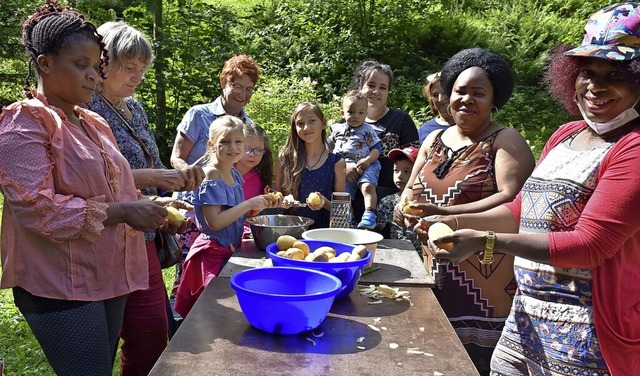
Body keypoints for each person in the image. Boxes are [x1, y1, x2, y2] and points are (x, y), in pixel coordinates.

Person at [417, 3, 640, 374]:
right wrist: (451, 220)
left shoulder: (632, 148)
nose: (595, 86)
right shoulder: (567, 134)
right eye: (587, 72)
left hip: (588, 333)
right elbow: (523, 209)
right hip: (524, 320)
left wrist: (485, 241)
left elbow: (591, 245)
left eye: (614, 74)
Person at [0, 2, 168, 374]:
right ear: (45, 64)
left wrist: (149, 208)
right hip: (58, 284)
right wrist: (125, 212)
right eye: (81, 65)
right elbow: (38, 209)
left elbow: (114, 189)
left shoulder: (94, 122)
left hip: (107, 273)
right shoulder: (24, 122)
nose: (93, 76)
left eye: (96, 66)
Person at [399, 48, 535, 375]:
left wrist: (447, 214)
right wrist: (406, 210)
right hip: (431, 272)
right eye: (460, 91)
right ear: (448, 96)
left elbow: (511, 198)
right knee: (430, 359)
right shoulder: (433, 139)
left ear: (494, 100)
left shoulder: (505, 140)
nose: (467, 99)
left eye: (479, 93)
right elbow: (408, 190)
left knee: (476, 364)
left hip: (485, 281)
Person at [85, 21, 195, 376]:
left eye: (142, 69)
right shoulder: (86, 109)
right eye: (129, 67)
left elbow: (151, 164)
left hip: (143, 236)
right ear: (103, 61)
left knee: (150, 331)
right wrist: (155, 178)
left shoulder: (135, 109)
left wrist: (176, 183)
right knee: (102, 342)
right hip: (104, 238)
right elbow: (90, 180)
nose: (138, 76)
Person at [169, 54, 260, 294]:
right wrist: (194, 175)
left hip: (227, 211)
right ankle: (182, 326)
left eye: (249, 89)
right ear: (223, 82)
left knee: (219, 284)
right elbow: (176, 157)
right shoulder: (199, 114)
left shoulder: (246, 124)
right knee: (189, 281)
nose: (243, 94)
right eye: (237, 86)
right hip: (193, 209)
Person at [174, 116, 279, 317]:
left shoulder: (233, 173)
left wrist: (258, 206)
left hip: (229, 251)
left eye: (238, 141)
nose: (233, 147)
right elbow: (215, 222)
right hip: (211, 256)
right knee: (210, 315)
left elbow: (235, 213)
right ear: (211, 144)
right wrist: (248, 203)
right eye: (225, 142)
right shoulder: (211, 175)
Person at [349, 60, 419, 219]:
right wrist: (346, 166)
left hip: (389, 202)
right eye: (371, 85)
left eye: (382, 87)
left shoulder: (401, 120)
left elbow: (416, 163)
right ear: (360, 87)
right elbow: (334, 156)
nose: (376, 91)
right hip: (352, 198)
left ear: (388, 92)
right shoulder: (347, 121)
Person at [276, 102, 346, 229]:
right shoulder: (285, 159)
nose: (306, 127)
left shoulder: (337, 163)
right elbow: (276, 195)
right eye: (300, 124)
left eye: (312, 121)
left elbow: (341, 209)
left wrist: (324, 202)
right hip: (291, 231)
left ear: (323, 123)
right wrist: (284, 200)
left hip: (323, 233)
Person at [327, 90, 382, 229]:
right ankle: (349, 220)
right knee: (344, 195)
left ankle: (370, 214)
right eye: (351, 112)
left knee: (367, 186)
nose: (356, 116)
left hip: (366, 164)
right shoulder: (337, 129)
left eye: (361, 112)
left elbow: (377, 149)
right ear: (342, 113)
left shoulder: (368, 130)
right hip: (343, 167)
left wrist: (368, 160)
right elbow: (327, 147)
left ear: (366, 113)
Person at [375, 146, 422, 253]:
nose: (400, 176)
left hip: (422, 255)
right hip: (397, 252)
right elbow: (379, 227)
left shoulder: (424, 203)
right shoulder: (387, 202)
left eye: (407, 172)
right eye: (396, 171)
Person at [417, 72, 455, 143]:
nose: (440, 99)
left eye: (444, 92)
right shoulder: (425, 130)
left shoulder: (469, 126)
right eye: (435, 95)